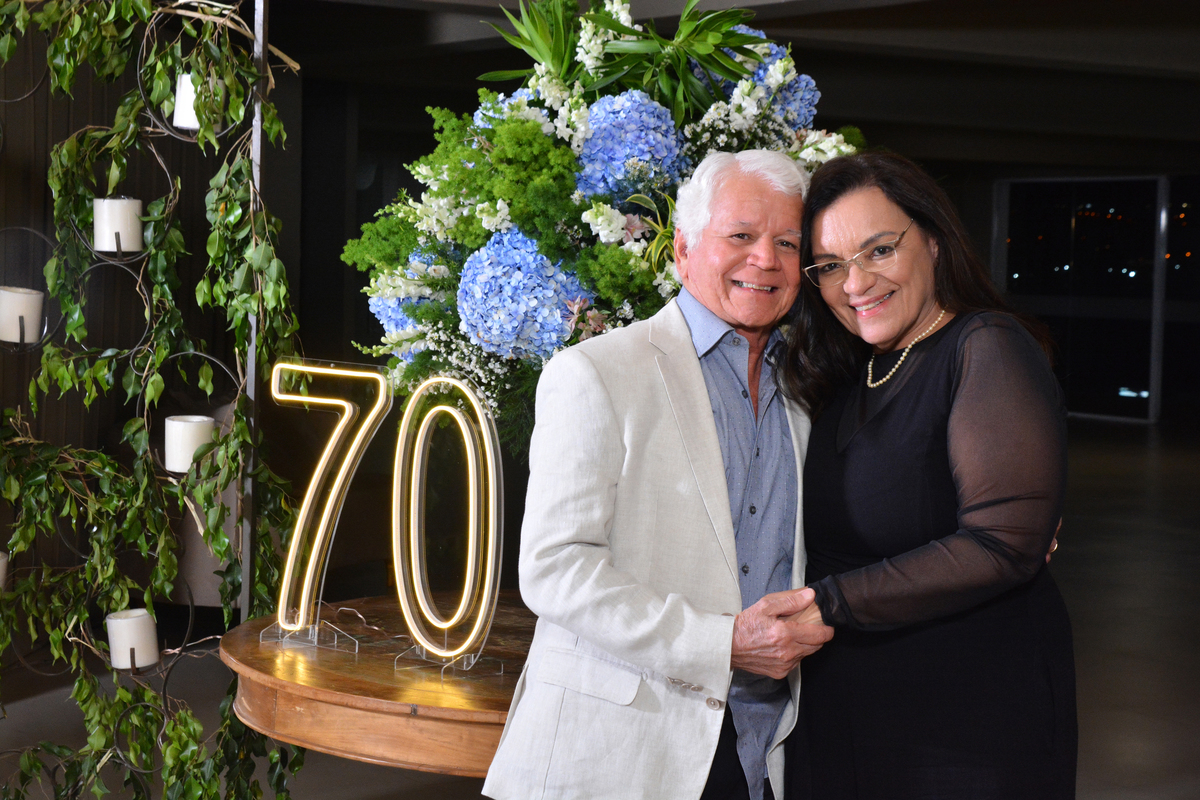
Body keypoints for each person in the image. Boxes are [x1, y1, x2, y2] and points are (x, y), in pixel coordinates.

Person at [482, 150, 834, 800]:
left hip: (765, 746)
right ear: (683, 250)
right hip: (617, 754)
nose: (766, 258)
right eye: (741, 235)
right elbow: (555, 567)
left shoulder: (809, 389)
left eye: (787, 242)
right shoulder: (596, 373)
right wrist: (721, 643)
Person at [779, 152, 1076, 799]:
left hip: (965, 714)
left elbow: (1005, 543)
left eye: (879, 250)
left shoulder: (985, 345)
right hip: (844, 704)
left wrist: (824, 604)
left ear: (935, 240)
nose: (855, 282)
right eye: (830, 266)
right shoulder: (849, 373)